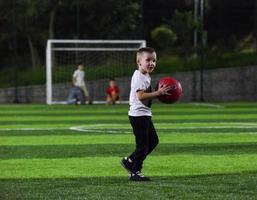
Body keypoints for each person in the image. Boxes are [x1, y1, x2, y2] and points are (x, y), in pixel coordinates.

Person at [120, 47, 171, 181]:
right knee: (142, 146)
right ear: (139, 61)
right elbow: (141, 96)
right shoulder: (139, 77)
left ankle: (129, 160)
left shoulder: (145, 75)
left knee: (153, 141)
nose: (151, 63)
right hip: (138, 116)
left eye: (154, 60)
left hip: (144, 114)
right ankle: (135, 172)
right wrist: (158, 93)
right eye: (148, 60)